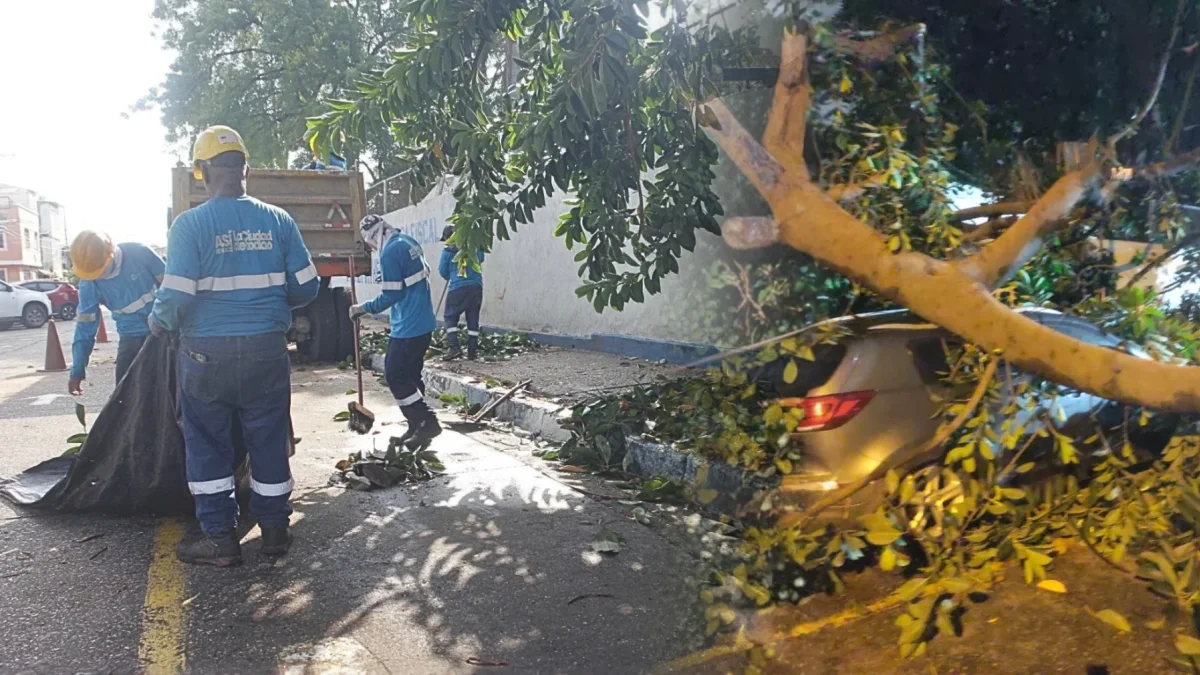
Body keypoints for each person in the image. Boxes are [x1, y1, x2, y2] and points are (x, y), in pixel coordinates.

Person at [151, 125, 319, 567]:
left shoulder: (189, 225)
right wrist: (270, 304)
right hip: (266, 350)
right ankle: (275, 532)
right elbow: (307, 286)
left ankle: (220, 540)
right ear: (247, 169)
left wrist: (158, 321)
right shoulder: (278, 221)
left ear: (202, 172)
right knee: (268, 439)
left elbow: (176, 297)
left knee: (208, 445)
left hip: (206, 357)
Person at [350, 214, 442, 448]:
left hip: (407, 327)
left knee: (395, 375)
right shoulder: (408, 242)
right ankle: (416, 427)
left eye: (370, 243)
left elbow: (392, 294)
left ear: (374, 236)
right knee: (411, 376)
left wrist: (362, 308)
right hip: (423, 322)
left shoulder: (390, 252)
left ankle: (427, 421)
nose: (372, 248)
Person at [67, 231, 165, 393]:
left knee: (171, 389)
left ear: (110, 255)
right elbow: (85, 327)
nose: (98, 276)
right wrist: (77, 370)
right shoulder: (90, 283)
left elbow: (173, 289)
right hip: (131, 337)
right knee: (124, 394)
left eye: (99, 270)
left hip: (166, 331)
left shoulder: (139, 253)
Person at [437, 225, 485, 360]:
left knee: (450, 317)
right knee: (473, 318)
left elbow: (442, 271)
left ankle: (454, 347)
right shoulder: (473, 246)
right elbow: (480, 258)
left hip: (457, 288)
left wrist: (452, 276)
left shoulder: (447, 251)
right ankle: (472, 351)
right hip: (476, 287)